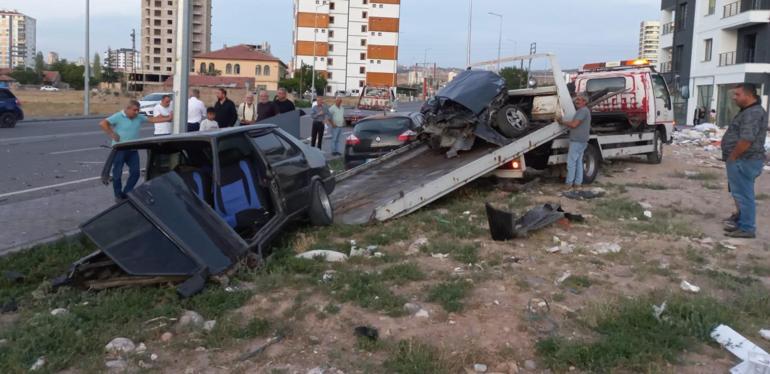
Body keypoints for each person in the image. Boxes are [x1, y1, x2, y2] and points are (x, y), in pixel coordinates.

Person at [99, 100, 172, 202]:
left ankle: (127, 192)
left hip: (132, 149)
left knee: (135, 173)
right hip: (120, 149)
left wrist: (168, 118)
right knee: (117, 174)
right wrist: (112, 134)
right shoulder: (119, 116)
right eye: (134, 110)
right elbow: (103, 123)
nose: (137, 112)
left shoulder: (138, 117)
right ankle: (118, 195)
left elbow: (152, 119)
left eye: (138, 110)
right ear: (127, 109)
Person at [721, 83, 767, 239]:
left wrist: (733, 156)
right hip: (741, 159)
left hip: (744, 159)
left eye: (737, 95)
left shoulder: (753, 113)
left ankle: (747, 228)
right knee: (739, 193)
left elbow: (746, 139)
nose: (734, 98)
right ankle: (742, 223)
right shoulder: (748, 111)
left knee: (744, 195)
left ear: (749, 95)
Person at [558, 93, 592, 190]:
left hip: (577, 141)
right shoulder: (584, 111)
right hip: (581, 140)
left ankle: (568, 184)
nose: (576, 101)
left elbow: (574, 125)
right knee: (578, 162)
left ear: (584, 102)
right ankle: (577, 183)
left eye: (579, 100)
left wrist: (562, 122)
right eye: (576, 99)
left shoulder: (582, 111)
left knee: (571, 162)